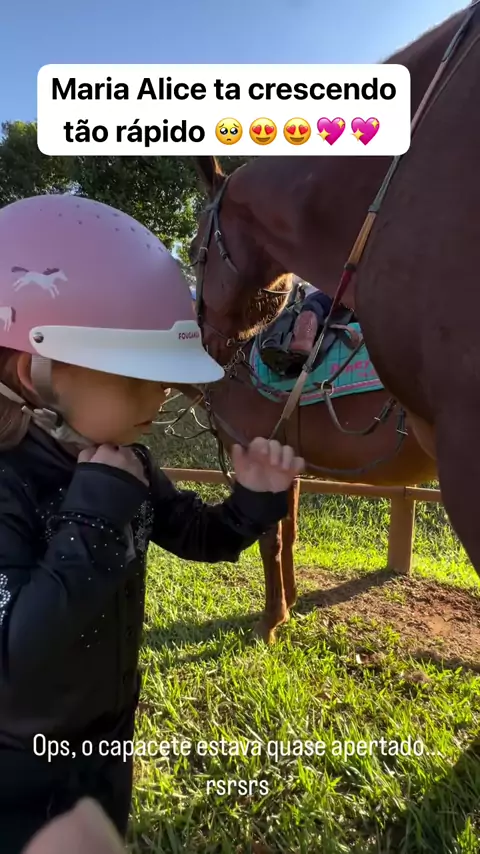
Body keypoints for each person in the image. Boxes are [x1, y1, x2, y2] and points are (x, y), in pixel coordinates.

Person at [0, 193, 304, 852]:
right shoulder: (10, 483)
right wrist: (94, 512)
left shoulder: (124, 461)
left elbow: (196, 534)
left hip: (106, 738)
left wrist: (252, 501)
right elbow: (15, 654)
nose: (161, 395)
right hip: (17, 770)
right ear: (35, 374)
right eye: (137, 377)